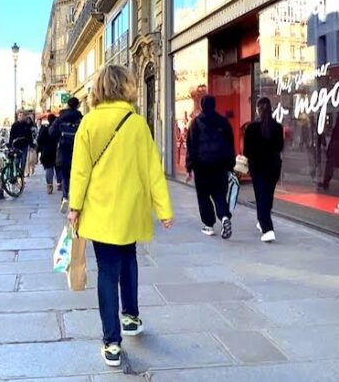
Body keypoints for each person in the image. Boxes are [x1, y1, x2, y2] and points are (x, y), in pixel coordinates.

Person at [67, 65, 173, 368]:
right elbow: (153, 170)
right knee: (129, 260)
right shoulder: (138, 124)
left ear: (98, 89)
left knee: (107, 271)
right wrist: (164, 210)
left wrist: (75, 207)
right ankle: (131, 317)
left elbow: (80, 171)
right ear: (127, 86)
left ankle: (111, 344)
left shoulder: (89, 123)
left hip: (100, 212)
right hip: (131, 211)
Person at [185, 95, 237, 239]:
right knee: (219, 194)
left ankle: (209, 225)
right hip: (220, 166)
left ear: (202, 106)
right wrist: (230, 165)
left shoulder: (196, 123)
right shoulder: (223, 122)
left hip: (202, 167)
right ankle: (225, 217)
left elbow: (191, 146)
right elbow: (229, 145)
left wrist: (189, 167)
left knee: (203, 196)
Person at [243, 97, 283, 242]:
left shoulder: (252, 128)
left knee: (261, 197)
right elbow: (280, 147)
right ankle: (262, 222)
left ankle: (268, 228)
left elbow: (246, 151)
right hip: (273, 166)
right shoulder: (278, 127)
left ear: (258, 110)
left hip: (258, 166)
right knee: (268, 195)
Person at [51, 97, 83, 202]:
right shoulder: (80, 118)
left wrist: (58, 138)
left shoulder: (61, 117)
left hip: (63, 148)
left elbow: (51, 132)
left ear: (68, 105)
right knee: (76, 173)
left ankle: (65, 196)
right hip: (77, 149)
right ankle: (75, 196)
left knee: (64, 174)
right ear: (78, 106)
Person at [8, 111, 35, 178]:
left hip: (24, 145)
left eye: (22, 116)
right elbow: (11, 136)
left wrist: (31, 145)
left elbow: (29, 136)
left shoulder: (26, 125)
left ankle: (21, 174)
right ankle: (17, 173)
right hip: (17, 145)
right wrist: (10, 144)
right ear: (17, 116)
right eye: (20, 115)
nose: (21, 117)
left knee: (23, 160)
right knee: (17, 160)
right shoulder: (14, 125)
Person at [36, 114, 59, 194]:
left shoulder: (44, 129)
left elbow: (39, 140)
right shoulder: (57, 129)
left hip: (46, 151)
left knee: (49, 169)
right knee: (58, 168)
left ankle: (49, 185)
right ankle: (59, 182)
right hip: (56, 151)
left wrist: (39, 149)